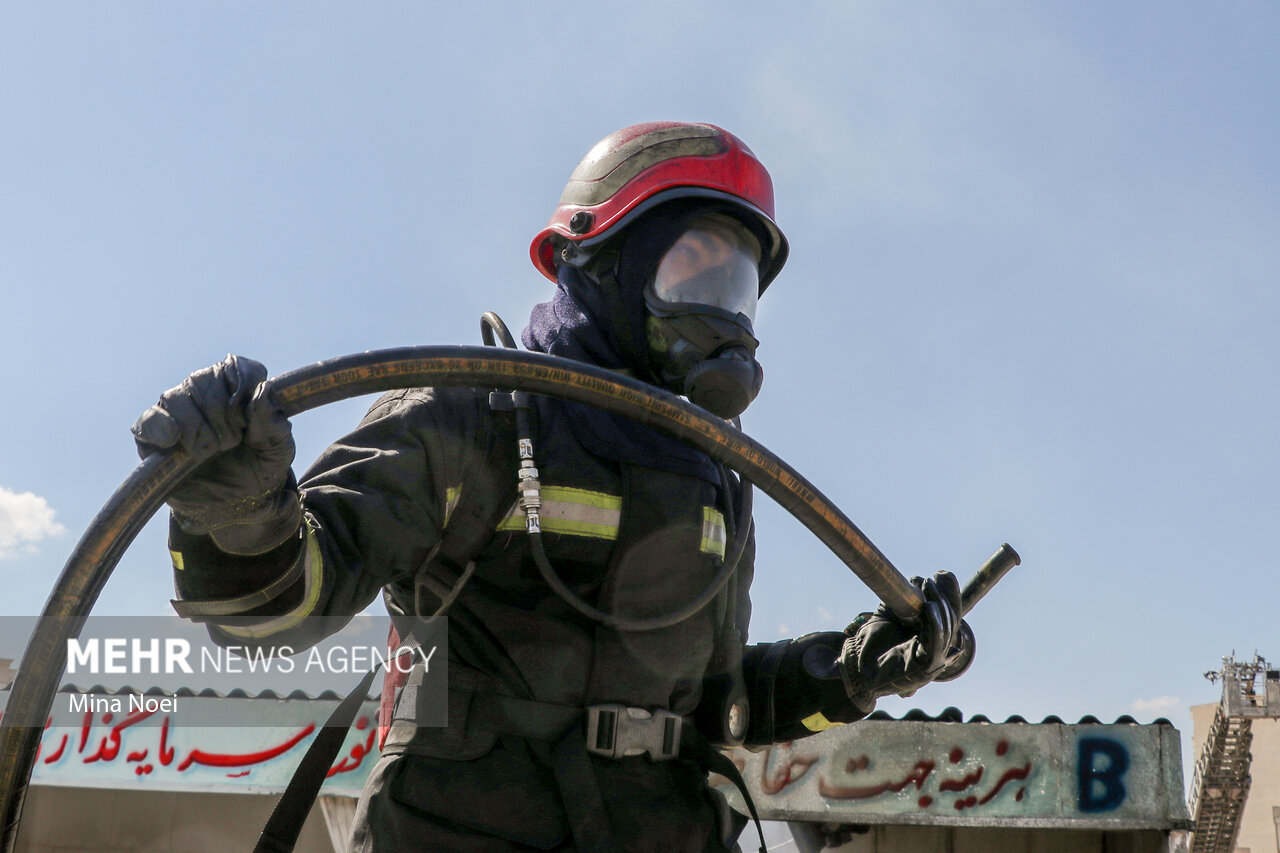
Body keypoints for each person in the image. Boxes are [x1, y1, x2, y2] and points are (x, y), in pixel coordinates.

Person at [133, 121, 975, 853]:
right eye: (692, 275)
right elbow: (271, 617)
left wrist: (854, 671)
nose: (722, 314)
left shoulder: (717, 473)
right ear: (601, 263)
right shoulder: (469, 414)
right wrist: (235, 509)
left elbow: (723, 706)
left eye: (737, 286)